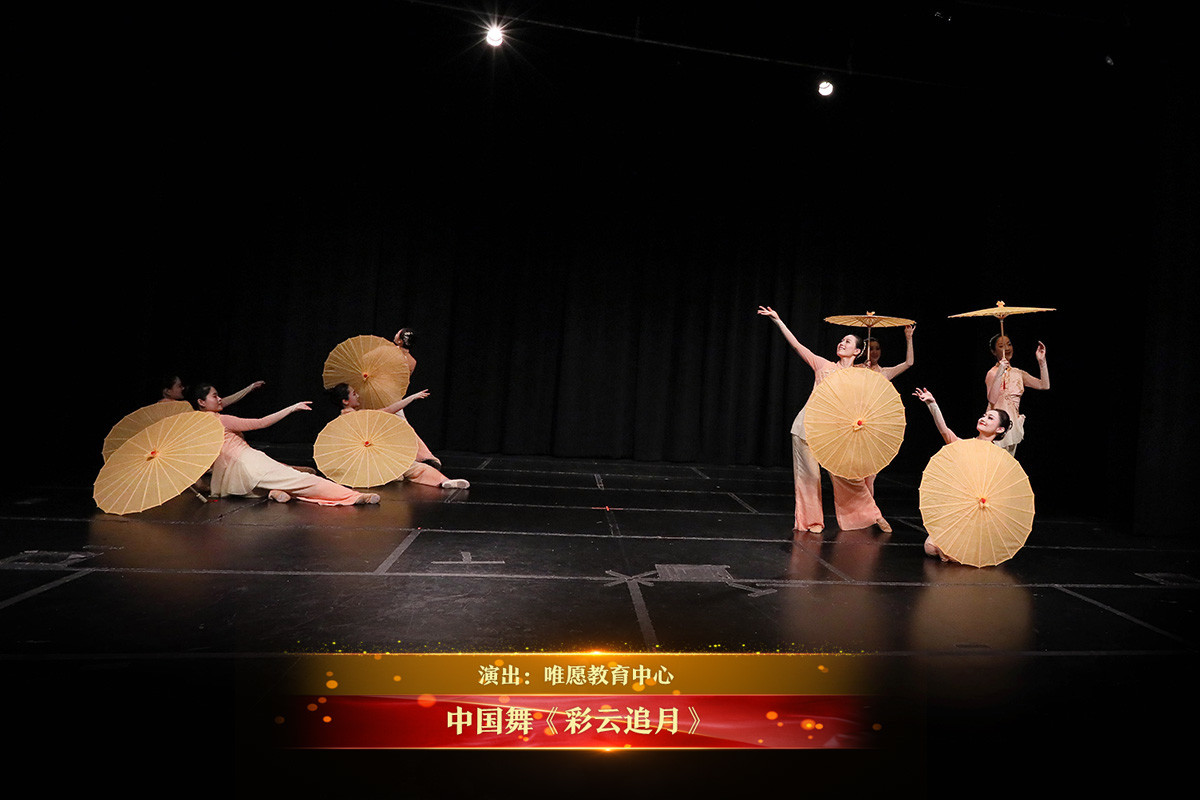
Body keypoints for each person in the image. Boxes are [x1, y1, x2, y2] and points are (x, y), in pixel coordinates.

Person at [758, 305, 891, 534]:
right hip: (807, 428)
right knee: (809, 478)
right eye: (841, 340)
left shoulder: (860, 375)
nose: (842, 343)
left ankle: (872, 514)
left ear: (858, 351)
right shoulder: (824, 366)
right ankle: (812, 522)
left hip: (835, 434)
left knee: (848, 476)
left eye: (848, 342)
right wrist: (778, 321)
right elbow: (797, 346)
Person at [190, 382, 379, 505]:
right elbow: (260, 423)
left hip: (237, 475)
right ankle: (353, 496)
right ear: (201, 402)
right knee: (304, 480)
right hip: (250, 463)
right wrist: (291, 408)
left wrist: (200, 484)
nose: (220, 399)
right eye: (214, 396)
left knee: (287, 479)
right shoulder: (220, 420)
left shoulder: (199, 426)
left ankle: (274, 491)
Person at [912, 386, 1012, 561]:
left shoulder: (998, 457)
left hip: (979, 512)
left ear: (1000, 429)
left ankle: (967, 549)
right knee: (930, 547)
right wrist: (932, 404)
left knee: (953, 551)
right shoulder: (964, 445)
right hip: (959, 509)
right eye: (984, 415)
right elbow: (944, 430)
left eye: (990, 418)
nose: (983, 419)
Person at [329, 383, 470, 489]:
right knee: (409, 466)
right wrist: (412, 398)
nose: (358, 396)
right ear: (345, 401)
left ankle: (443, 481)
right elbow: (389, 410)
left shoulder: (350, 417)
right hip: (368, 459)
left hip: (372, 455)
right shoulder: (354, 417)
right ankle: (443, 481)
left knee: (408, 465)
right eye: (354, 394)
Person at [861, 325, 915, 498]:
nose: (875, 352)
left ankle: (869, 506)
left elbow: (909, 363)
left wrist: (908, 338)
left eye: (877, 348)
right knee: (858, 470)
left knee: (871, 472)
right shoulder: (856, 369)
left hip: (874, 425)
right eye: (871, 348)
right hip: (857, 422)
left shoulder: (884, 373)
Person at [984, 336, 1049, 456]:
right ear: (993, 351)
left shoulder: (1018, 373)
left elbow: (1044, 385)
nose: (1007, 348)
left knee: (1007, 464)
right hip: (996, 426)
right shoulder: (992, 373)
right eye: (1001, 346)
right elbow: (992, 399)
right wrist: (1000, 372)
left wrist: (1042, 361)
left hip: (1011, 427)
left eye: (1009, 344)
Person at [392, 327, 442, 468]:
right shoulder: (412, 361)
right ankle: (425, 456)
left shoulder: (389, 353)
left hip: (381, 392)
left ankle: (423, 456)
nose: (395, 334)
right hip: (395, 394)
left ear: (400, 341)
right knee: (401, 424)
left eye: (398, 334)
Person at [159, 374, 265, 408]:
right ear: (167, 391)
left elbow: (223, 401)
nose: (183, 388)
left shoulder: (184, 405)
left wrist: (249, 388)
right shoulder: (169, 408)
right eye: (179, 386)